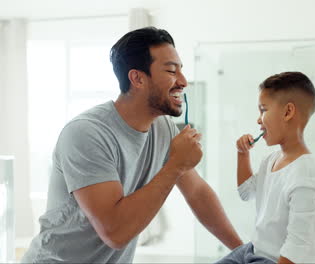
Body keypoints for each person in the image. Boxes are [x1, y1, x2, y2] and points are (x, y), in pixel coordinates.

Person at [22, 27, 242, 263]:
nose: (183, 82)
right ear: (137, 78)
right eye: (171, 70)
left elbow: (197, 192)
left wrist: (244, 252)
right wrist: (175, 165)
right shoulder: (87, 133)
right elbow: (115, 233)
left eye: (181, 71)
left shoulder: (163, 127)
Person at [216, 72, 315, 264]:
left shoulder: (304, 178)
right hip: (252, 250)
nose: (259, 120)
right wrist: (242, 154)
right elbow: (246, 192)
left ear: (287, 112)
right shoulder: (272, 160)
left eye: (263, 110)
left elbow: (296, 251)